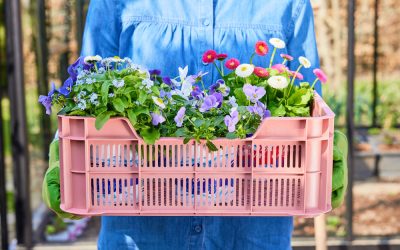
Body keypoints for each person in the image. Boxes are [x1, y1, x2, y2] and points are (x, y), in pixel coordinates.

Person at [43, 0, 348, 249]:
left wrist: (326, 150)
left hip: (251, 230)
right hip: (142, 229)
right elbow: (88, 92)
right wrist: (65, 156)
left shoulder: (287, 4)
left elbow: (306, 102)